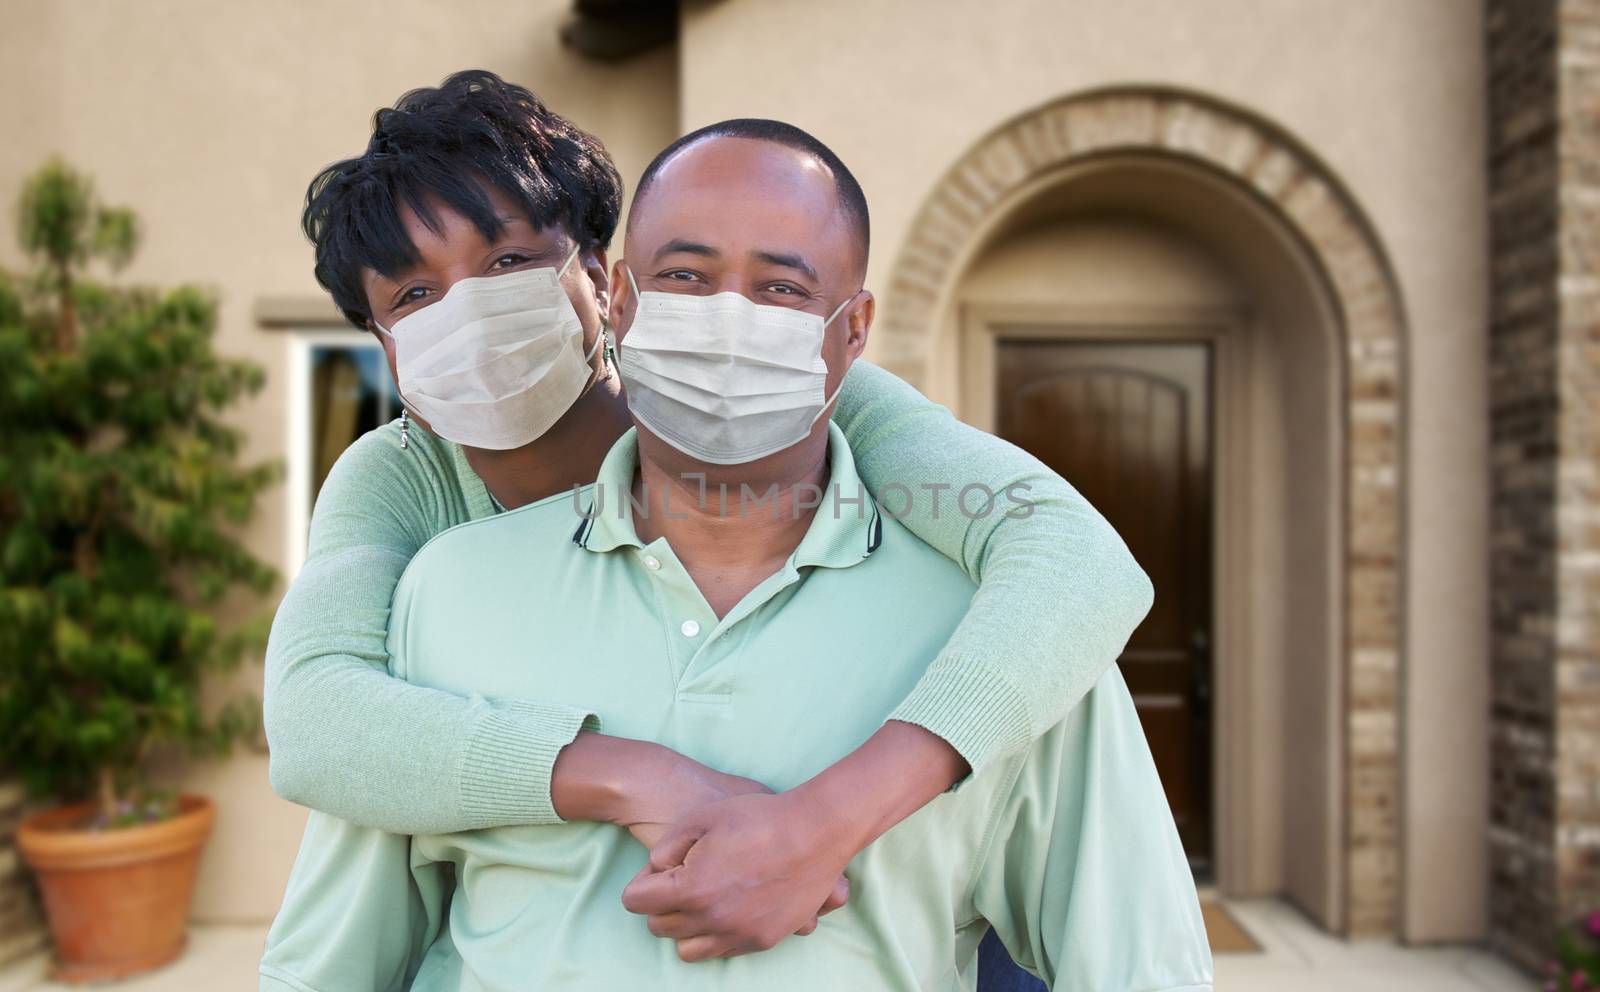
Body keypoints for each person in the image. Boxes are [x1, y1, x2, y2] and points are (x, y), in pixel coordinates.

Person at [260, 121, 1212, 991]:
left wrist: (821, 823)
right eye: (417, 294)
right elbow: (318, 723)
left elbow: (1069, 553)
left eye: (510, 260)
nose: (471, 314)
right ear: (382, 340)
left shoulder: (842, 414)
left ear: (599, 278)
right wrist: (628, 773)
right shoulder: (414, 521)